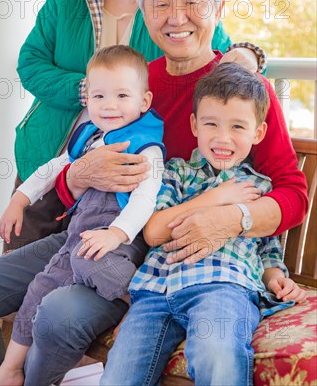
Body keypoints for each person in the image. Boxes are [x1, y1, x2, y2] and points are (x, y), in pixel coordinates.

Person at [0, 0, 306, 386]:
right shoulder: (133, 84)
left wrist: (233, 218)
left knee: (58, 313)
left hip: (143, 257)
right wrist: (78, 176)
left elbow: (292, 193)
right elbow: (70, 176)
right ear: (143, 11)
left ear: (218, 9)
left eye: (192, 2)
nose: (177, 16)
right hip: (86, 233)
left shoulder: (240, 90)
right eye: (160, 3)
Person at [11, 0, 254, 249]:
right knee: (19, 266)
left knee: (85, 264)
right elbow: (30, 62)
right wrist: (91, 92)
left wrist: (251, 54)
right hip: (55, 152)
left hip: (128, 167)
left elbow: (218, 52)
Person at [100, 62, 306, 386]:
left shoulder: (259, 187)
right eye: (212, 124)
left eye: (238, 127)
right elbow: (154, 231)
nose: (223, 138)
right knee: (120, 375)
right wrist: (219, 196)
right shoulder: (176, 173)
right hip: (156, 292)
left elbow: (268, 246)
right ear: (195, 125)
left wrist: (276, 277)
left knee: (218, 354)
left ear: (259, 132)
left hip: (223, 287)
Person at [0, 45, 165, 386]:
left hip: (118, 243)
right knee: (39, 289)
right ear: (87, 100)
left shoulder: (145, 146)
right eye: (99, 96)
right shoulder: (88, 137)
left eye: (122, 95)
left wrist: (116, 234)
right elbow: (53, 168)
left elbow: (145, 198)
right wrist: (19, 200)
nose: (109, 105)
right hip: (78, 238)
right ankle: (10, 368)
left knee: (89, 262)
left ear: (144, 101)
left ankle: (137, 297)